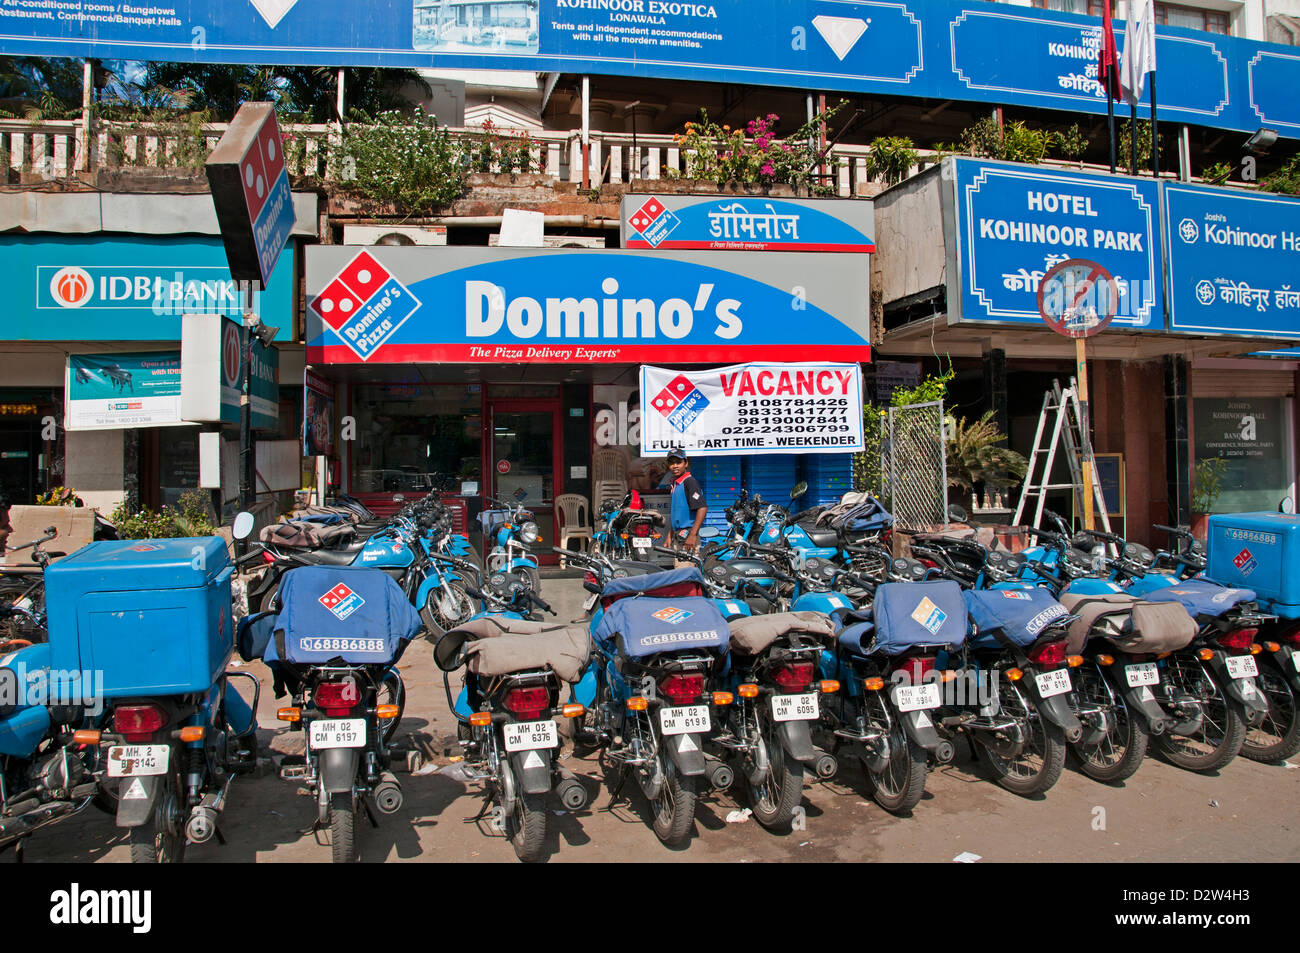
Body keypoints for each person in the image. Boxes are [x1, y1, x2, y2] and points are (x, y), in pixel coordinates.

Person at [666, 447, 707, 565]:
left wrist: (693, 535)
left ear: (686, 463)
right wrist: (670, 535)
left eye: (678, 462)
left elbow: (702, 508)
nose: (675, 466)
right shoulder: (676, 484)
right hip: (678, 537)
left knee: (684, 576)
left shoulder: (689, 482)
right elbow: (677, 514)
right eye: (671, 463)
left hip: (687, 538)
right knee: (680, 575)